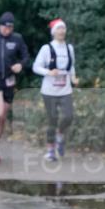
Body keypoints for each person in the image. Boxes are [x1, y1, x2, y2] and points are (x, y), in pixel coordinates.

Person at [0, 11, 30, 163]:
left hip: (9, 81)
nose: (7, 30)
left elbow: (26, 56)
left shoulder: (17, 39)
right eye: (5, 27)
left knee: (3, 117)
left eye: (10, 28)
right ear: (0, 26)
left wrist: (20, 65)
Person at [32, 18, 78, 160]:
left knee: (68, 116)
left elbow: (71, 66)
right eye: (58, 28)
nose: (61, 31)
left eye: (63, 28)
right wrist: (48, 72)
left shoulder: (69, 48)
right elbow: (36, 67)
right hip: (49, 91)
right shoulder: (46, 48)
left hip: (65, 90)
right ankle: (51, 150)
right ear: (53, 32)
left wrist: (73, 78)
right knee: (52, 119)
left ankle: (60, 134)